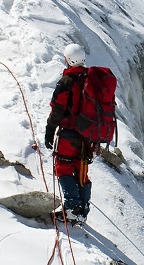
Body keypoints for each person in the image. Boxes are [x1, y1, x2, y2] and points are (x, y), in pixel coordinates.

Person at [45, 43, 112, 223]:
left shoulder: (67, 81)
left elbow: (58, 108)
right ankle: (82, 209)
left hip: (69, 134)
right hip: (88, 136)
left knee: (64, 168)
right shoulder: (90, 79)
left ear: (68, 60)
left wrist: (50, 130)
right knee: (81, 170)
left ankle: (73, 207)